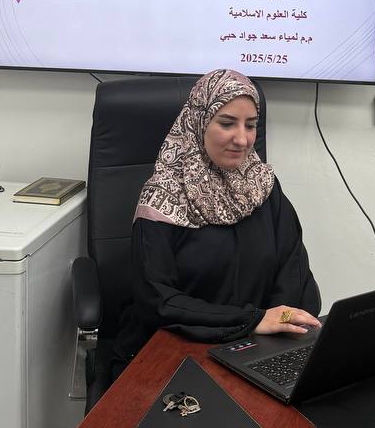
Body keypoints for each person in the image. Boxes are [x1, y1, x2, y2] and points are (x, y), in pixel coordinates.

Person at [112, 69, 320, 375]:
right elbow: (158, 300)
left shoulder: (262, 186)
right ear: (199, 123)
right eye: (227, 123)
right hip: (176, 349)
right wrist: (252, 320)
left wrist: (279, 324)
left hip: (256, 347)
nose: (242, 139)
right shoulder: (162, 197)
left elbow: (293, 269)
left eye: (251, 125)